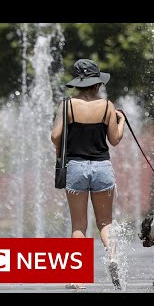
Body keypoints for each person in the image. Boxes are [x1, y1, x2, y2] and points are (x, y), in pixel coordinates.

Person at [51, 58, 125, 290]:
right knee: (105, 222)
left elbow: (55, 136)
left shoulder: (67, 105)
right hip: (102, 167)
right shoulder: (107, 106)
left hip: (75, 167)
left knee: (79, 226)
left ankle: (78, 278)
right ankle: (112, 256)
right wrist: (120, 121)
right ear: (97, 84)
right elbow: (114, 139)